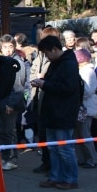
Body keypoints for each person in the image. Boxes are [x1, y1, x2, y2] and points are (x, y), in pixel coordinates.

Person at [33, 35, 80, 190]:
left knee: (64, 148)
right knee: (53, 147)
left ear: (54, 49)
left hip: (63, 112)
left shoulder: (68, 64)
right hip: (53, 112)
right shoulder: (58, 63)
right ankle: (55, 176)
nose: (46, 56)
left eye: (47, 53)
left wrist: (45, 84)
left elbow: (68, 88)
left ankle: (70, 178)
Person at [31, 25, 59, 174]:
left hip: (50, 99)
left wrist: (43, 78)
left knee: (53, 138)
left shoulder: (59, 58)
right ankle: (46, 162)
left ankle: (55, 167)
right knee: (41, 133)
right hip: (38, 96)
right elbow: (33, 71)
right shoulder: (40, 55)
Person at [0, 34, 28, 171]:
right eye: (5, 47)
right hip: (0, 101)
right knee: (1, 131)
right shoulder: (2, 61)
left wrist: (11, 103)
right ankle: (4, 157)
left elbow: (18, 87)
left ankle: (11, 158)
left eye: (10, 47)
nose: (8, 50)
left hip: (10, 103)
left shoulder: (17, 63)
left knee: (10, 131)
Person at [74, 49, 97, 168]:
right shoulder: (83, 71)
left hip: (86, 107)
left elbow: (88, 90)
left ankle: (91, 159)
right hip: (81, 107)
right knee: (78, 134)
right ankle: (81, 158)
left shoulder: (88, 72)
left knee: (84, 133)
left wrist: (75, 93)